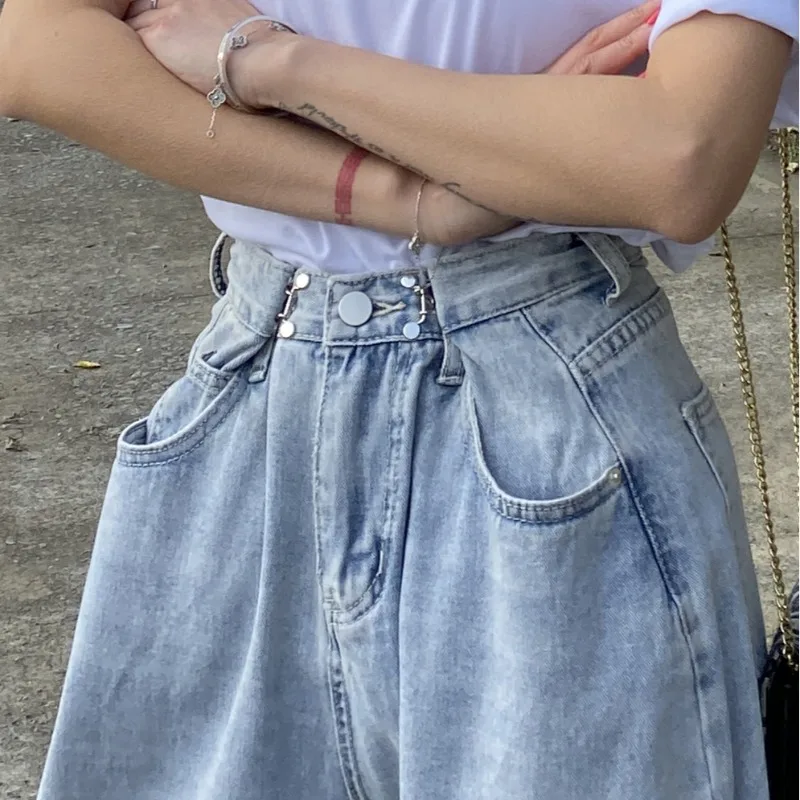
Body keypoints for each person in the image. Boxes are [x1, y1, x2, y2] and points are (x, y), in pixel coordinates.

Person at [0, 0, 796, 797]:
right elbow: (33, 44)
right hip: (257, 379)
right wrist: (405, 198)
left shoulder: (259, 58)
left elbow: (679, 156)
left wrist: (269, 64)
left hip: (544, 405)